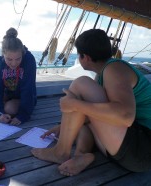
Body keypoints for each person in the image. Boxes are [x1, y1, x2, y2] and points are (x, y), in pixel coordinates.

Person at [31, 29, 151, 176]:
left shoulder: (115, 69)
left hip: (142, 148)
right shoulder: (102, 75)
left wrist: (74, 104)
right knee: (82, 116)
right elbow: (96, 115)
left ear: (85, 57)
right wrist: (63, 126)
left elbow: (125, 116)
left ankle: (60, 151)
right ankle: (81, 154)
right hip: (131, 153)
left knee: (81, 84)